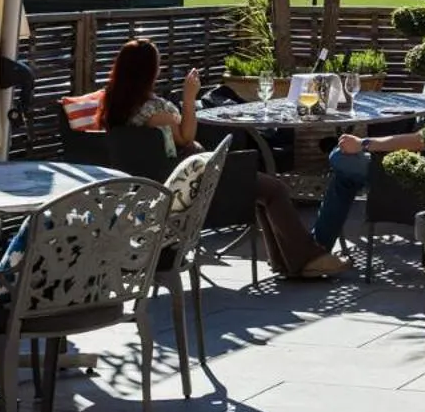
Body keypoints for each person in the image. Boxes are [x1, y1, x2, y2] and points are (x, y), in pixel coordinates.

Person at [98, 39, 347, 279]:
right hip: (196, 180)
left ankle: (289, 261)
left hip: (168, 180)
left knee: (265, 189)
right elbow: (186, 137)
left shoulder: (116, 107)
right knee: (274, 189)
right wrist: (189, 97)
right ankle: (306, 259)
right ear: (148, 71)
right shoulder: (154, 110)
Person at [312, 130, 422, 252]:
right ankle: (317, 249)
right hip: (404, 166)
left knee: (340, 159)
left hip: (415, 176)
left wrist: (363, 143)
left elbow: (421, 140)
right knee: (344, 178)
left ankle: (318, 248)